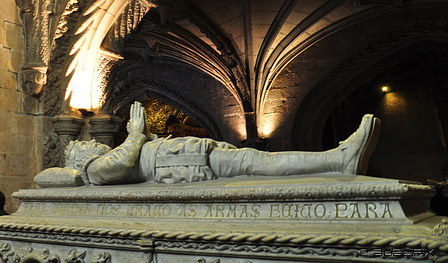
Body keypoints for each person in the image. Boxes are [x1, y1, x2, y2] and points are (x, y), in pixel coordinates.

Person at [34, 102, 381, 187]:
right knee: (257, 163)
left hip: (188, 155)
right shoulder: (94, 171)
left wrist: (146, 137)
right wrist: (137, 132)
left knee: (255, 160)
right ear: (78, 159)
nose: (90, 144)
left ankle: (337, 160)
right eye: (83, 146)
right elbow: (121, 164)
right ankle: (337, 159)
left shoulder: (102, 159)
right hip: (183, 165)